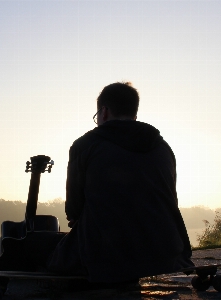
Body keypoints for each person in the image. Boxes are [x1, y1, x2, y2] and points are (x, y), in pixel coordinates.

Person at [46, 82, 194, 283]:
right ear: (134, 113)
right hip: (166, 253)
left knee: (53, 257)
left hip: (107, 256)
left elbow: (74, 208)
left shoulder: (85, 145)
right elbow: (169, 199)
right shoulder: (163, 147)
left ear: (104, 112)